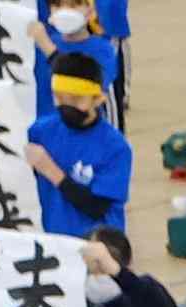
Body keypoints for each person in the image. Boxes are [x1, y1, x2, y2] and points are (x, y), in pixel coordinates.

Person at [25, 54, 127, 238]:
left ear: (97, 99)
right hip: (52, 243)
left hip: (97, 248)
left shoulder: (115, 147)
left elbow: (96, 207)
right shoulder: (40, 131)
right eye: (60, 98)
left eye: (76, 100)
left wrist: (50, 170)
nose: (66, 106)